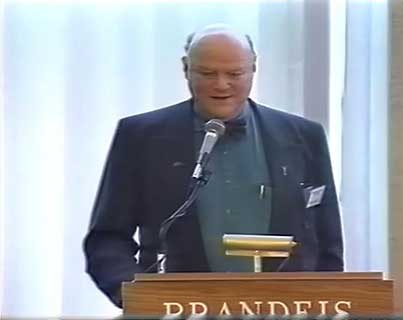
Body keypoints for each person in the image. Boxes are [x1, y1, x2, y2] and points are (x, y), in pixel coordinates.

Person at [83, 24, 344, 308]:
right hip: (177, 311)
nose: (221, 84)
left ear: (253, 68)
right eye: (207, 73)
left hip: (285, 310)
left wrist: (324, 303)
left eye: (235, 73)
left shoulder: (304, 136)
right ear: (186, 69)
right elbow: (107, 239)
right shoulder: (141, 136)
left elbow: (327, 244)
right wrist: (138, 298)